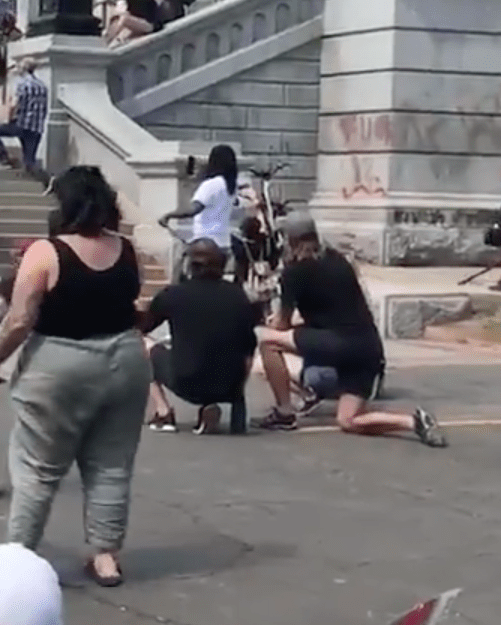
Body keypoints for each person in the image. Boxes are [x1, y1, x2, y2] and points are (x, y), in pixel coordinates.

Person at [0, 166, 150, 588]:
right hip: (125, 359)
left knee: (37, 466)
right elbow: (133, 300)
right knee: (111, 463)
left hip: (59, 362)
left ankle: (20, 554)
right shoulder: (126, 249)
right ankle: (106, 557)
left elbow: (19, 320)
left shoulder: (46, 252)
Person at [254, 213, 445, 446]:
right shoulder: (338, 260)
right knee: (349, 420)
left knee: (267, 342)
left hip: (339, 343)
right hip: (367, 348)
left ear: (289, 240)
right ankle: (414, 422)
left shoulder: (295, 271)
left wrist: (266, 320)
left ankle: (284, 413)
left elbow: (281, 325)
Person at [139, 239, 259, 434]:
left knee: (140, 343)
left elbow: (143, 327)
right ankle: (234, 406)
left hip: (187, 381)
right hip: (230, 384)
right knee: (243, 351)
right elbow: (249, 345)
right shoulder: (238, 295)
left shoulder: (173, 295)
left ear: (189, 265)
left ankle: (163, 412)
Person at [158, 143, 238, 275]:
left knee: (179, 270)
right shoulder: (231, 186)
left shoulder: (211, 184)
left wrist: (169, 215)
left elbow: (193, 209)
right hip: (224, 244)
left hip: (205, 243)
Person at [0, 58, 48, 181]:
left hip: (22, 124)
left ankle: (4, 159)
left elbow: (14, 104)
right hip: (36, 128)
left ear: (23, 69)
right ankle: (44, 182)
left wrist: (8, 120)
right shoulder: (43, 86)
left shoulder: (22, 84)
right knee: (30, 162)